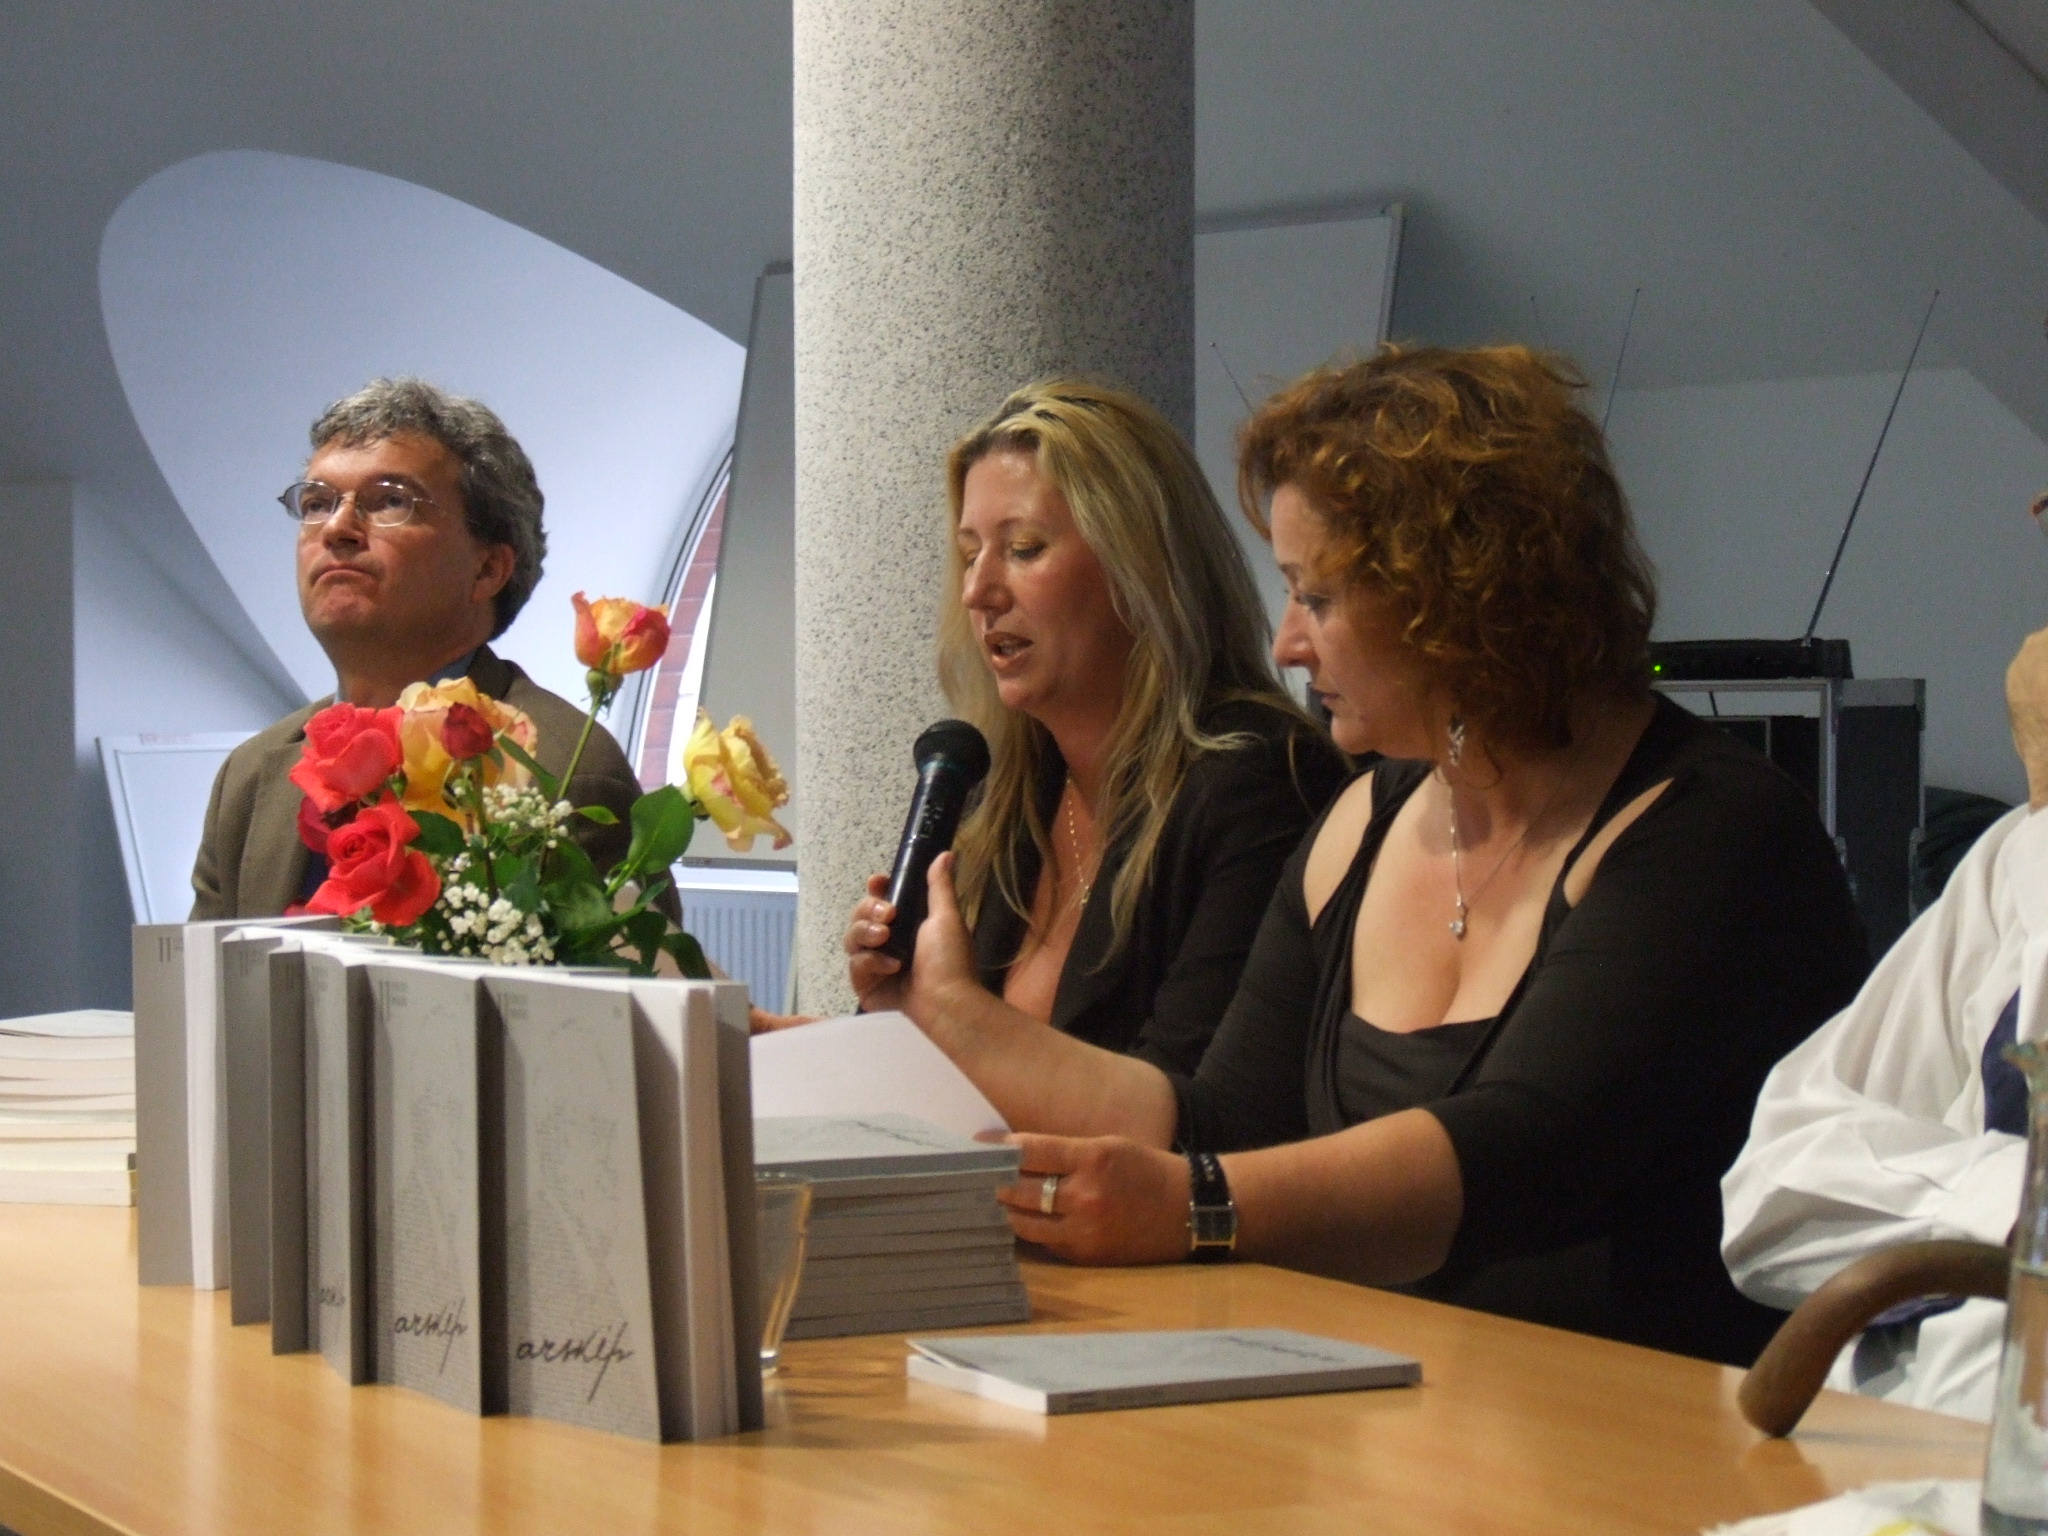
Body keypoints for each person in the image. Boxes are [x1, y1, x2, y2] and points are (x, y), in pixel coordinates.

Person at [878, 346, 1870, 1366]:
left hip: (1642, 1430)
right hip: (1392, 1412)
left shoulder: (1713, 832)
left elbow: (1522, 1152)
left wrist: (1194, 1203)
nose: (1286, 645)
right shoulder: (1361, 819)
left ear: (1455, 597)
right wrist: (954, 1026)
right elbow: (1220, 1120)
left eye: (1317, 597)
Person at [838, 379, 1350, 1075]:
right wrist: (898, 1018)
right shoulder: (999, 795)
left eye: (1024, 548)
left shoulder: (1259, 781)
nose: (978, 592)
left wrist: (961, 1017)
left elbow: (1193, 1106)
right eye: (970, 553)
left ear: (1141, 567)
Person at [1722, 553, 2048, 1418]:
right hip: (1864, 1441)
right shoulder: (2018, 855)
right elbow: (1772, 1193)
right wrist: (2009, 1205)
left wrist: (1974, 1204)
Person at [190, 377, 647, 920]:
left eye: (390, 501)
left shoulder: (565, 770)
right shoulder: (249, 777)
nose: (337, 528)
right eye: (317, 502)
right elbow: (206, 974)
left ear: (487, 569)